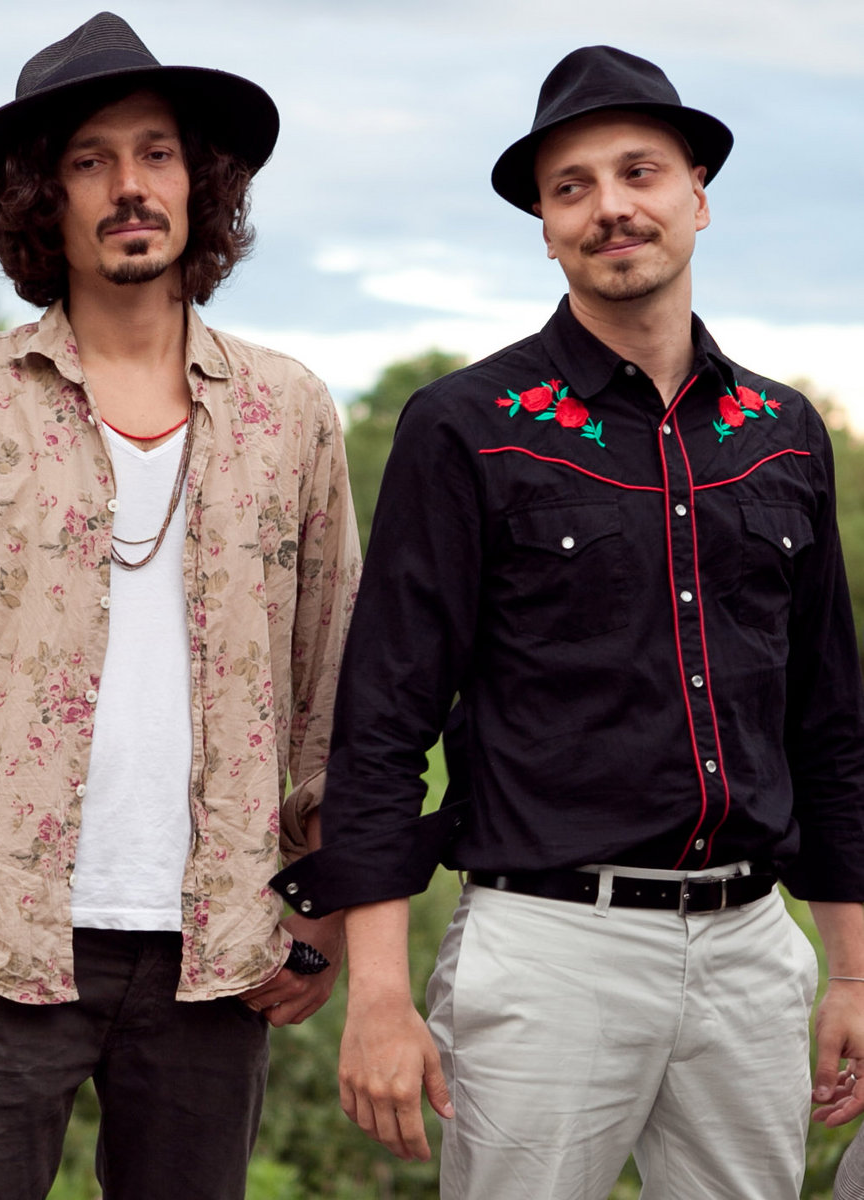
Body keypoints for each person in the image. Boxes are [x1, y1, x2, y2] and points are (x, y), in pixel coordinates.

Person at [272, 44, 864, 1199]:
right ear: (546, 228)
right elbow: (383, 724)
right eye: (572, 188)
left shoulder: (783, 434)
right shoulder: (468, 426)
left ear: (697, 195)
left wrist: (848, 969)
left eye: (639, 173)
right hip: (549, 951)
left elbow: (829, 722)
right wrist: (380, 997)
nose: (610, 208)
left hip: (752, 950)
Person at [0, 12, 358, 1200]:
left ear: (199, 184)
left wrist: (323, 910)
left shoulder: (291, 412)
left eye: (157, 153)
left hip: (221, 952)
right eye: (89, 160)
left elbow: (334, 687)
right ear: (40, 197)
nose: (130, 187)